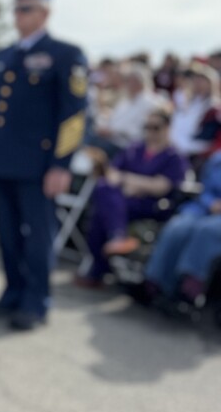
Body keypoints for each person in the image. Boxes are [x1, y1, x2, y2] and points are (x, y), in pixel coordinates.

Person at [0, 0, 88, 331]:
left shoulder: (66, 54)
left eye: (26, 9)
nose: (18, 15)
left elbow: (74, 116)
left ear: (44, 13)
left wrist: (61, 164)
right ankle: (12, 291)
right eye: (16, 9)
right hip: (4, 159)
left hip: (38, 166)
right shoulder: (6, 54)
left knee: (37, 235)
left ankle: (36, 301)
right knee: (7, 233)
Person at [77, 107, 188, 287]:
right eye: (147, 127)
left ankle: (103, 263)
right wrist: (126, 182)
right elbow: (112, 172)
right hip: (122, 200)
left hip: (151, 205)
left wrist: (130, 181)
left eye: (155, 127)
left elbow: (162, 186)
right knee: (103, 193)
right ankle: (113, 244)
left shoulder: (174, 156)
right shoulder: (135, 148)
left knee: (103, 206)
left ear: (167, 128)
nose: (150, 132)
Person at [115, 150, 221, 305]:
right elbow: (203, 190)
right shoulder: (217, 159)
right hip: (204, 209)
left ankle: (190, 288)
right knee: (178, 227)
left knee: (207, 230)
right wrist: (211, 203)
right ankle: (154, 283)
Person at [87, 63, 164, 157]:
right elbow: (113, 120)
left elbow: (142, 131)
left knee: (90, 143)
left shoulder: (150, 103)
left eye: (132, 81)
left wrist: (113, 131)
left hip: (127, 145)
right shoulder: (126, 102)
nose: (129, 84)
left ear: (140, 82)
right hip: (112, 138)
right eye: (128, 81)